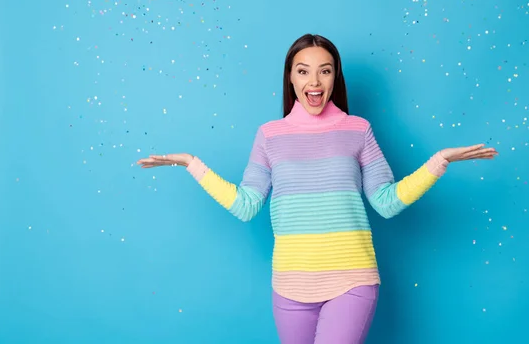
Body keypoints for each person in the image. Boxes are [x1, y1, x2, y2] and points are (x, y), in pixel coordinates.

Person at [136, 34, 498, 343]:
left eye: (324, 71)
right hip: (289, 286)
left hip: (351, 280)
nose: (315, 80)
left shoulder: (358, 129)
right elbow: (245, 205)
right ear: (290, 79)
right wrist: (191, 164)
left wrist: (439, 162)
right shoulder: (270, 136)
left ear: (334, 77)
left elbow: (386, 202)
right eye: (303, 71)